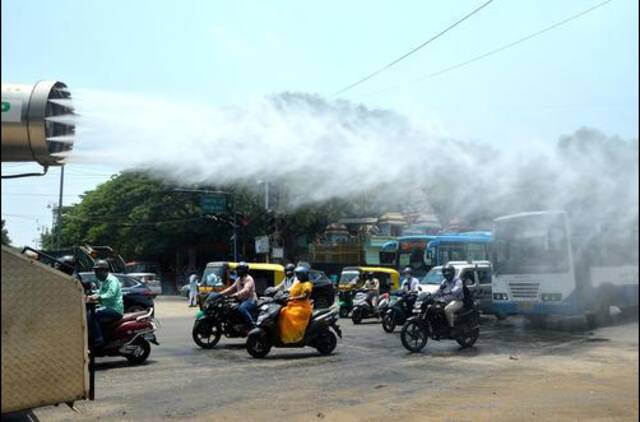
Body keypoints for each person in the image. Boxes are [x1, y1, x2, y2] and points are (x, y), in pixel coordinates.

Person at [86, 260, 124, 348]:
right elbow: (100, 293)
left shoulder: (112, 280)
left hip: (115, 309)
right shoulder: (103, 281)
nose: (95, 273)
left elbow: (111, 294)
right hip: (107, 307)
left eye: (97, 271)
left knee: (93, 315)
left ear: (104, 270)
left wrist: (97, 297)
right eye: (95, 271)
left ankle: (99, 340)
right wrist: (90, 296)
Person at [278, 266, 314, 344]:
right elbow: (290, 290)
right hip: (293, 304)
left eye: (299, 275)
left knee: (288, 314)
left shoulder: (307, 284)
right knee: (282, 311)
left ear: (303, 275)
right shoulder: (298, 283)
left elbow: (305, 296)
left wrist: (292, 298)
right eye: (297, 275)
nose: (297, 277)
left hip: (302, 306)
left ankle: (293, 336)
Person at [436, 264, 464, 328]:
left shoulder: (457, 280)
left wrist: (451, 291)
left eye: (448, 272)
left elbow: (458, 288)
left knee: (447, 309)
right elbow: (439, 290)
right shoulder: (444, 281)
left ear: (452, 272)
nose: (447, 274)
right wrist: (430, 294)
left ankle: (451, 327)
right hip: (446, 301)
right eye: (445, 272)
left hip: (457, 301)